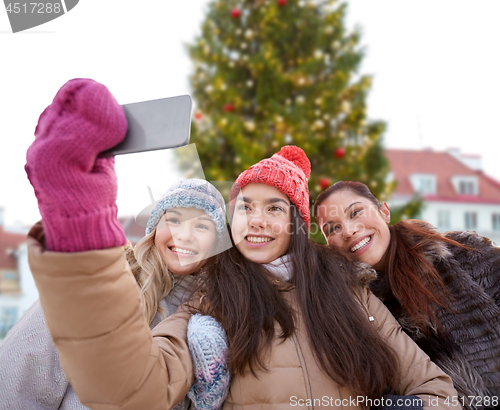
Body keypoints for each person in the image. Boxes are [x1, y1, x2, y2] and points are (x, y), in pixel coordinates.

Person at [24, 79, 459, 409]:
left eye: (275, 208)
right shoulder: (210, 300)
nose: (257, 220)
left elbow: (435, 388)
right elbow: (133, 390)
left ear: (296, 224)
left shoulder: (349, 291)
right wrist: (82, 223)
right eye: (246, 206)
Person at [0, 178, 230, 410]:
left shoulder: (218, 317)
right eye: (174, 220)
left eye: (201, 225)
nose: (184, 235)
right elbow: (20, 375)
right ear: (156, 227)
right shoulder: (100, 282)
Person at [314, 180, 500, 409]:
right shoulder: (352, 309)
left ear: (384, 212)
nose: (349, 231)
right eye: (333, 228)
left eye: (355, 212)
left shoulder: (464, 253)